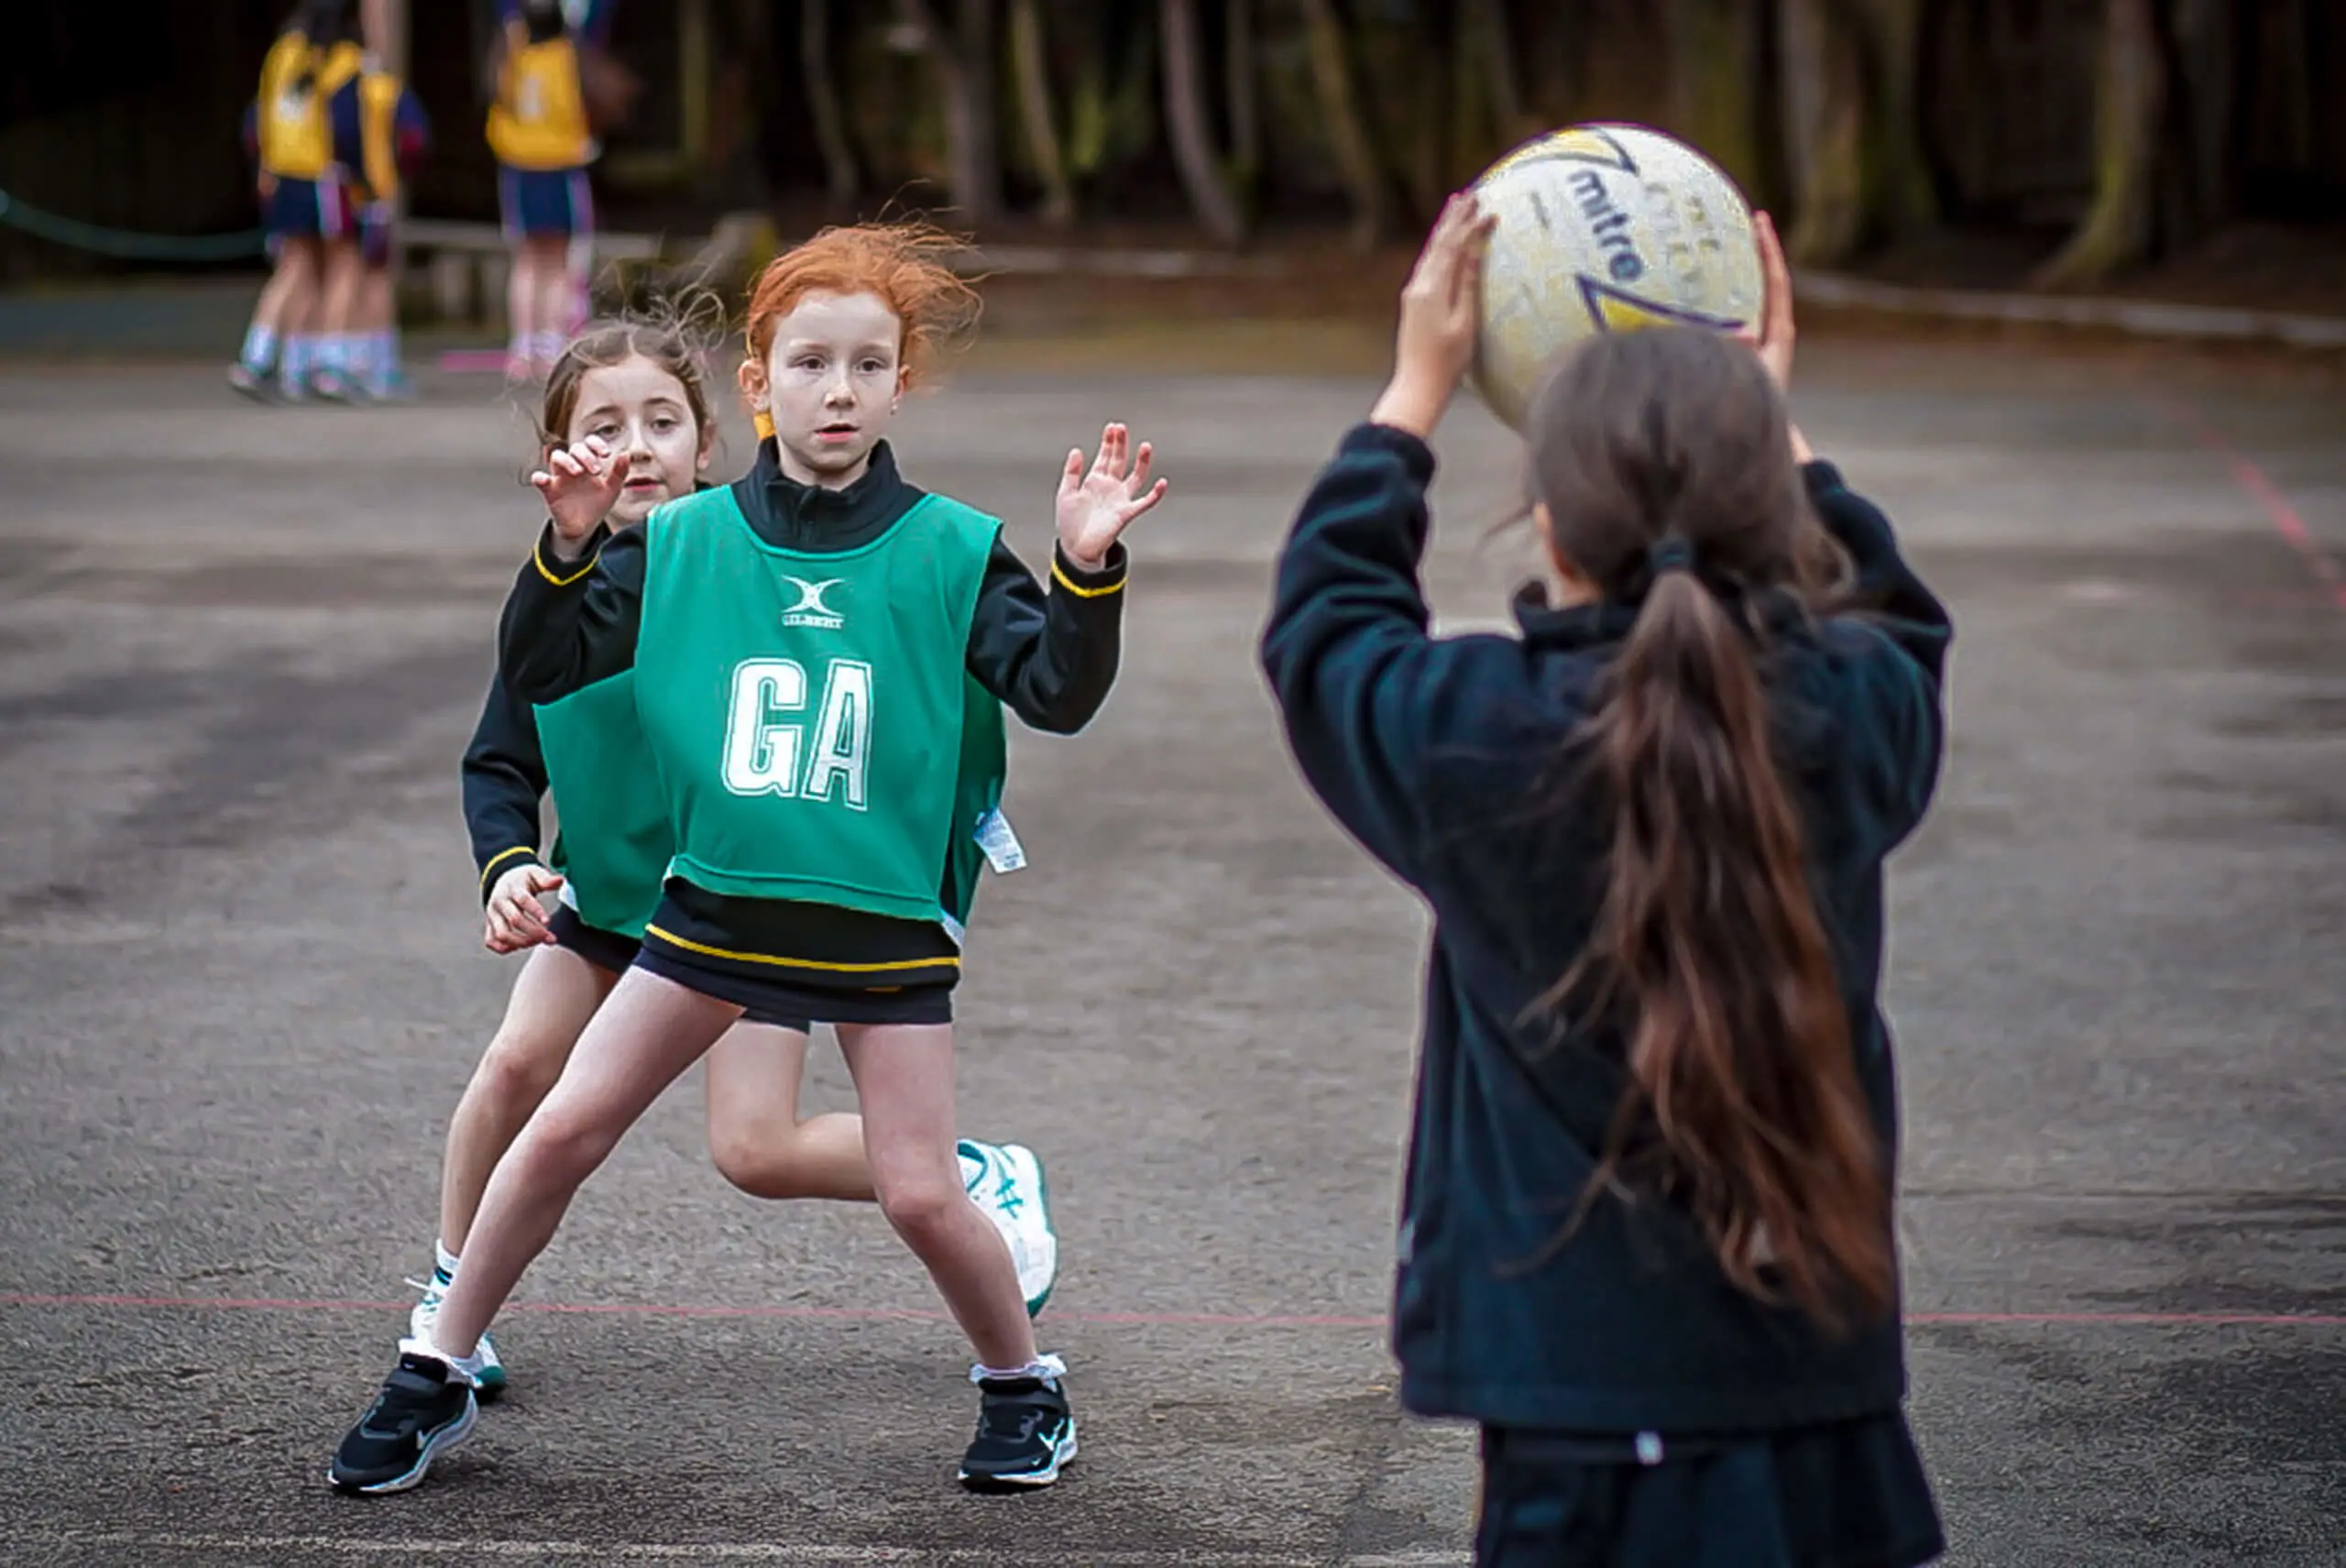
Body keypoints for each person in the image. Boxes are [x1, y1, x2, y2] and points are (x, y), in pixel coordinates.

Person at [330, 221, 1164, 1497]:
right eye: (811, 361)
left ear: (900, 383)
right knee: (559, 1127)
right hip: (711, 910)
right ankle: (434, 1363)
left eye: (869, 365)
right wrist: (563, 548)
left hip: (883, 920)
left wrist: (1087, 566)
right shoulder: (684, 542)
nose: (841, 389)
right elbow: (543, 670)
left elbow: (1055, 690)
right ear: (759, 381)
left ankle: (1022, 1384)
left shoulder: (948, 546)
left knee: (925, 1195)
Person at [1259, 200, 1952, 1567]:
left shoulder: (1472, 732)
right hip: (1822, 1394)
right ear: (1776, 510)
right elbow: (1895, 617)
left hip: (1573, 1406)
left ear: (1549, 528)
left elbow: (1324, 629)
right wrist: (1770, 427)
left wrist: (1412, 395)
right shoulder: (1849, 713)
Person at [425, 312, 1059, 1402]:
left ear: (707, 439)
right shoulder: (567, 588)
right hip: (612, 900)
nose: (634, 445)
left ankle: (968, 1174)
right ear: (560, 455)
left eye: (659, 421)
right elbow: (500, 757)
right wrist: (508, 868)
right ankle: (448, 1295)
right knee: (517, 1070)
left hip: (737, 906)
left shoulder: (744, 565)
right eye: (603, 425)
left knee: (755, 1150)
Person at [231, 0, 365, 401]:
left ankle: (265, 358)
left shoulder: (282, 52)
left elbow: (259, 118)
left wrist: (264, 165)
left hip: (283, 173)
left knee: (294, 267)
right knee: (344, 264)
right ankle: (330, 363)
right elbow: (347, 126)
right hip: (325, 175)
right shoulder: (344, 61)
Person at [486, 0, 597, 382]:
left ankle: (521, 347)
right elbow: (590, 103)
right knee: (558, 262)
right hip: (561, 168)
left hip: (518, 168)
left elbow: (492, 95)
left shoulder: (510, 56)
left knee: (527, 259)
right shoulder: (570, 56)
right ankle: (551, 345)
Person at [325, 48, 432, 400]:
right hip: (373, 194)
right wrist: (398, 173)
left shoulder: (321, 77)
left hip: (334, 189)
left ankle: (340, 362)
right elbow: (415, 139)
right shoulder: (383, 87)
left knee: (344, 271)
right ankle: (375, 368)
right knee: (373, 277)